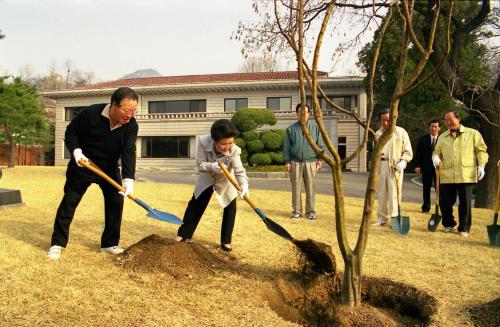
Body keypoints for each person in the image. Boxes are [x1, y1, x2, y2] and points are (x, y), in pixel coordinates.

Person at [47, 87, 139, 260]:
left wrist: (128, 179)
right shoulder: (91, 113)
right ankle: (57, 243)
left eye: (133, 111)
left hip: (109, 168)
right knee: (69, 202)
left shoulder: (131, 125)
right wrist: (75, 151)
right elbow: (71, 132)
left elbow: (128, 151)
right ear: (114, 105)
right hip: (84, 164)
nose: (129, 115)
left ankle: (109, 243)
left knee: (116, 202)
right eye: (126, 110)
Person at [175, 119, 249, 252]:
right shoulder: (203, 142)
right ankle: (183, 234)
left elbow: (239, 170)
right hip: (207, 177)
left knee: (230, 207)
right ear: (214, 140)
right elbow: (200, 165)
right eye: (223, 144)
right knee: (195, 205)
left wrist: (244, 184)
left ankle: (226, 241)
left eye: (231, 142)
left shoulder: (235, 150)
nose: (228, 147)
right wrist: (212, 166)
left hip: (226, 181)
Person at [432, 110, 488, 237]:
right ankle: (449, 224)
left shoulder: (473, 134)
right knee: (445, 201)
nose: (449, 122)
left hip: (466, 173)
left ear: (458, 119)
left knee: (465, 202)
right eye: (446, 120)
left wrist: (482, 165)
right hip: (447, 174)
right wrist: (435, 157)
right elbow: (436, 151)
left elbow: (481, 150)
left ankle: (464, 228)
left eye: (451, 119)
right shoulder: (442, 137)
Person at [372, 110, 413, 227]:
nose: (385, 123)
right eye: (383, 120)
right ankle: (381, 218)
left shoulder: (401, 132)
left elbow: (408, 150)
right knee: (381, 193)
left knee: (394, 193)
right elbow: (375, 152)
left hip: (395, 166)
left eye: (388, 120)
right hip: (381, 166)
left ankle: (395, 219)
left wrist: (403, 161)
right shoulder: (377, 134)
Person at [283, 103, 324, 220]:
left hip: (311, 162)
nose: (303, 115)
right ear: (297, 114)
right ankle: (296, 211)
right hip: (295, 162)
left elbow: (319, 144)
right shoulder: (291, 129)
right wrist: (287, 161)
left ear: (309, 114)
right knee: (296, 187)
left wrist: (319, 159)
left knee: (311, 187)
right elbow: (286, 147)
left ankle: (310, 211)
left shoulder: (315, 128)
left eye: (305, 113)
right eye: (300, 113)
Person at [414, 119, 441, 213]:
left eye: (436, 126)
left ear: (439, 128)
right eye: (432, 126)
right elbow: (418, 153)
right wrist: (417, 165)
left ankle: (440, 208)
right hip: (426, 168)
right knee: (426, 188)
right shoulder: (423, 139)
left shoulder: (443, 139)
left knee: (440, 189)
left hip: (439, 168)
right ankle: (426, 207)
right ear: (429, 128)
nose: (434, 128)